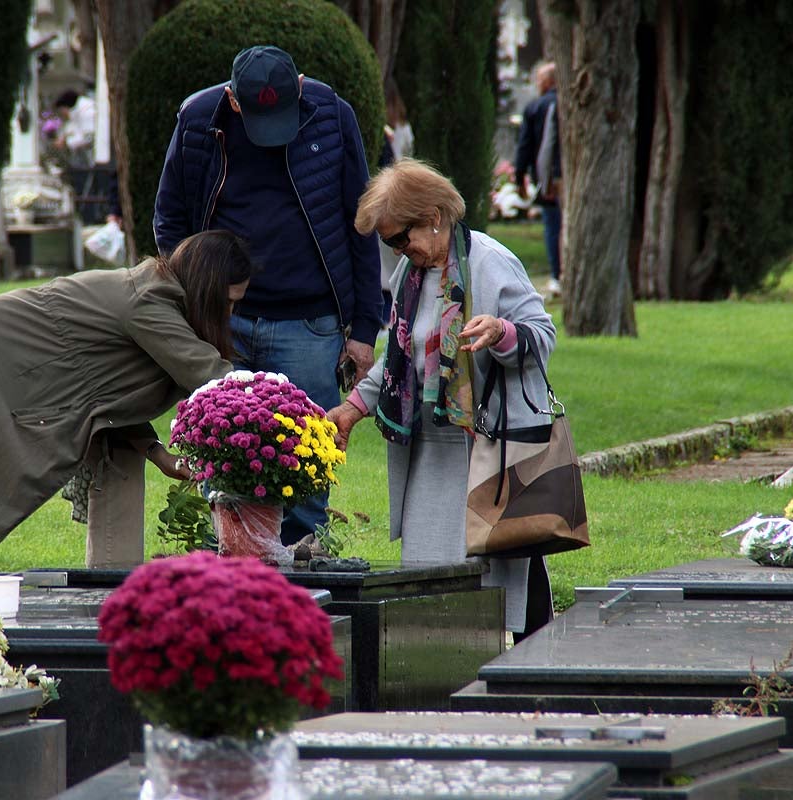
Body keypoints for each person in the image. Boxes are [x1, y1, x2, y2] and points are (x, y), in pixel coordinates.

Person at [0, 230, 254, 576]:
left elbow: (109, 400)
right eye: (227, 301)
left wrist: (156, 452)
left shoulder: (157, 296)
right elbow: (215, 380)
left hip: (10, 367)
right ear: (205, 288)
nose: (230, 313)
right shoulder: (148, 302)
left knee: (120, 457)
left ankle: (114, 596)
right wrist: (277, 411)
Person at [154, 45, 382, 545]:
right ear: (233, 100)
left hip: (309, 323)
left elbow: (361, 223)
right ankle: (228, 563)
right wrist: (194, 299)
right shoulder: (198, 119)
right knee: (221, 458)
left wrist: (365, 328)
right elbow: (170, 218)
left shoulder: (332, 115)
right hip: (221, 322)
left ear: (299, 86)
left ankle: (302, 568)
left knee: (306, 465)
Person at [327, 159, 556, 641]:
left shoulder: (490, 263)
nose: (397, 251)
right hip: (428, 451)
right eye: (389, 243)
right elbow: (399, 358)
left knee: (499, 565)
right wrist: (353, 407)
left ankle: (524, 661)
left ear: (433, 216)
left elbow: (542, 335)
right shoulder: (408, 275)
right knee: (428, 580)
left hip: (488, 448)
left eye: (399, 238)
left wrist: (501, 331)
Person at [514, 61, 562, 298]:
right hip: (565, 176)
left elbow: (526, 145)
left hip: (550, 179)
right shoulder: (565, 103)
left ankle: (557, 275)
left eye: (539, 79)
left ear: (547, 81)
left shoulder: (536, 106)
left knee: (553, 226)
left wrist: (519, 176)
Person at [54, 88, 97, 162]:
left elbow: (88, 138)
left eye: (61, 112)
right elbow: (74, 126)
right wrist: (65, 136)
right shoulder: (78, 110)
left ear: (65, 107)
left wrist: (66, 143)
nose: (62, 115)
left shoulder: (87, 111)